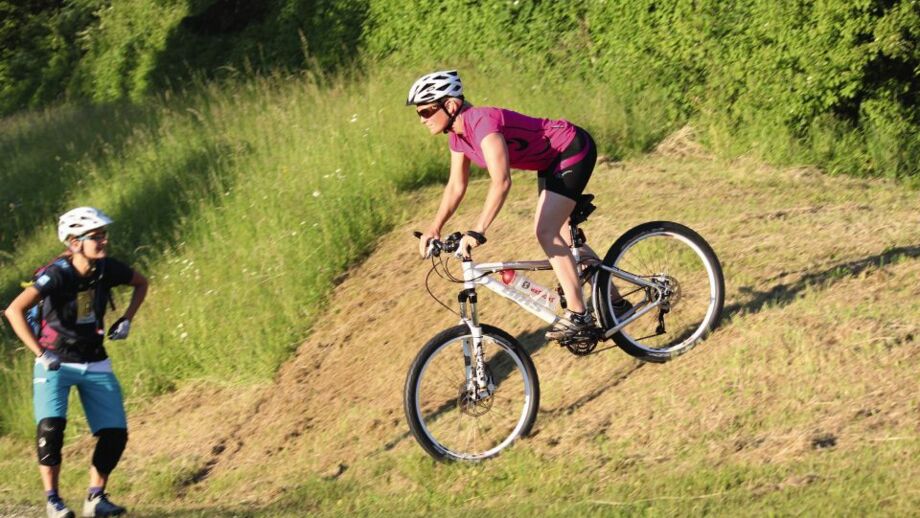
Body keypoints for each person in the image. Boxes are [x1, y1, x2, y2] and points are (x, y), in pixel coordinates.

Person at [409, 69, 610, 340]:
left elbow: (501, 182)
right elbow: (456, 185)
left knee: (547, 231)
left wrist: (478, 230)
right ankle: (615, 303)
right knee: (560, 232)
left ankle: (579, 317)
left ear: (451, 105)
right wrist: (435, 227)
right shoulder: (457, 136)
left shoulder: (482, 123)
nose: (422, 119)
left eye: (425, 112)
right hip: (550, 162)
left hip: (571, 147)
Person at [3, 207, 148, 518]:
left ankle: (96, 498)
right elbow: (14, 311)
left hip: (95, 359)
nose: (103, 241)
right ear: (73, 242)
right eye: (95, 236)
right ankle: (53, 501)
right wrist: (41, 355)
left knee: (115, 434)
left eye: (104, 235)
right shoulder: (56, 274)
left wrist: (127, 319)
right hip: (54, 362)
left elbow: (142, 283)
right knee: (51, 430)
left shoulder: (106, 269)